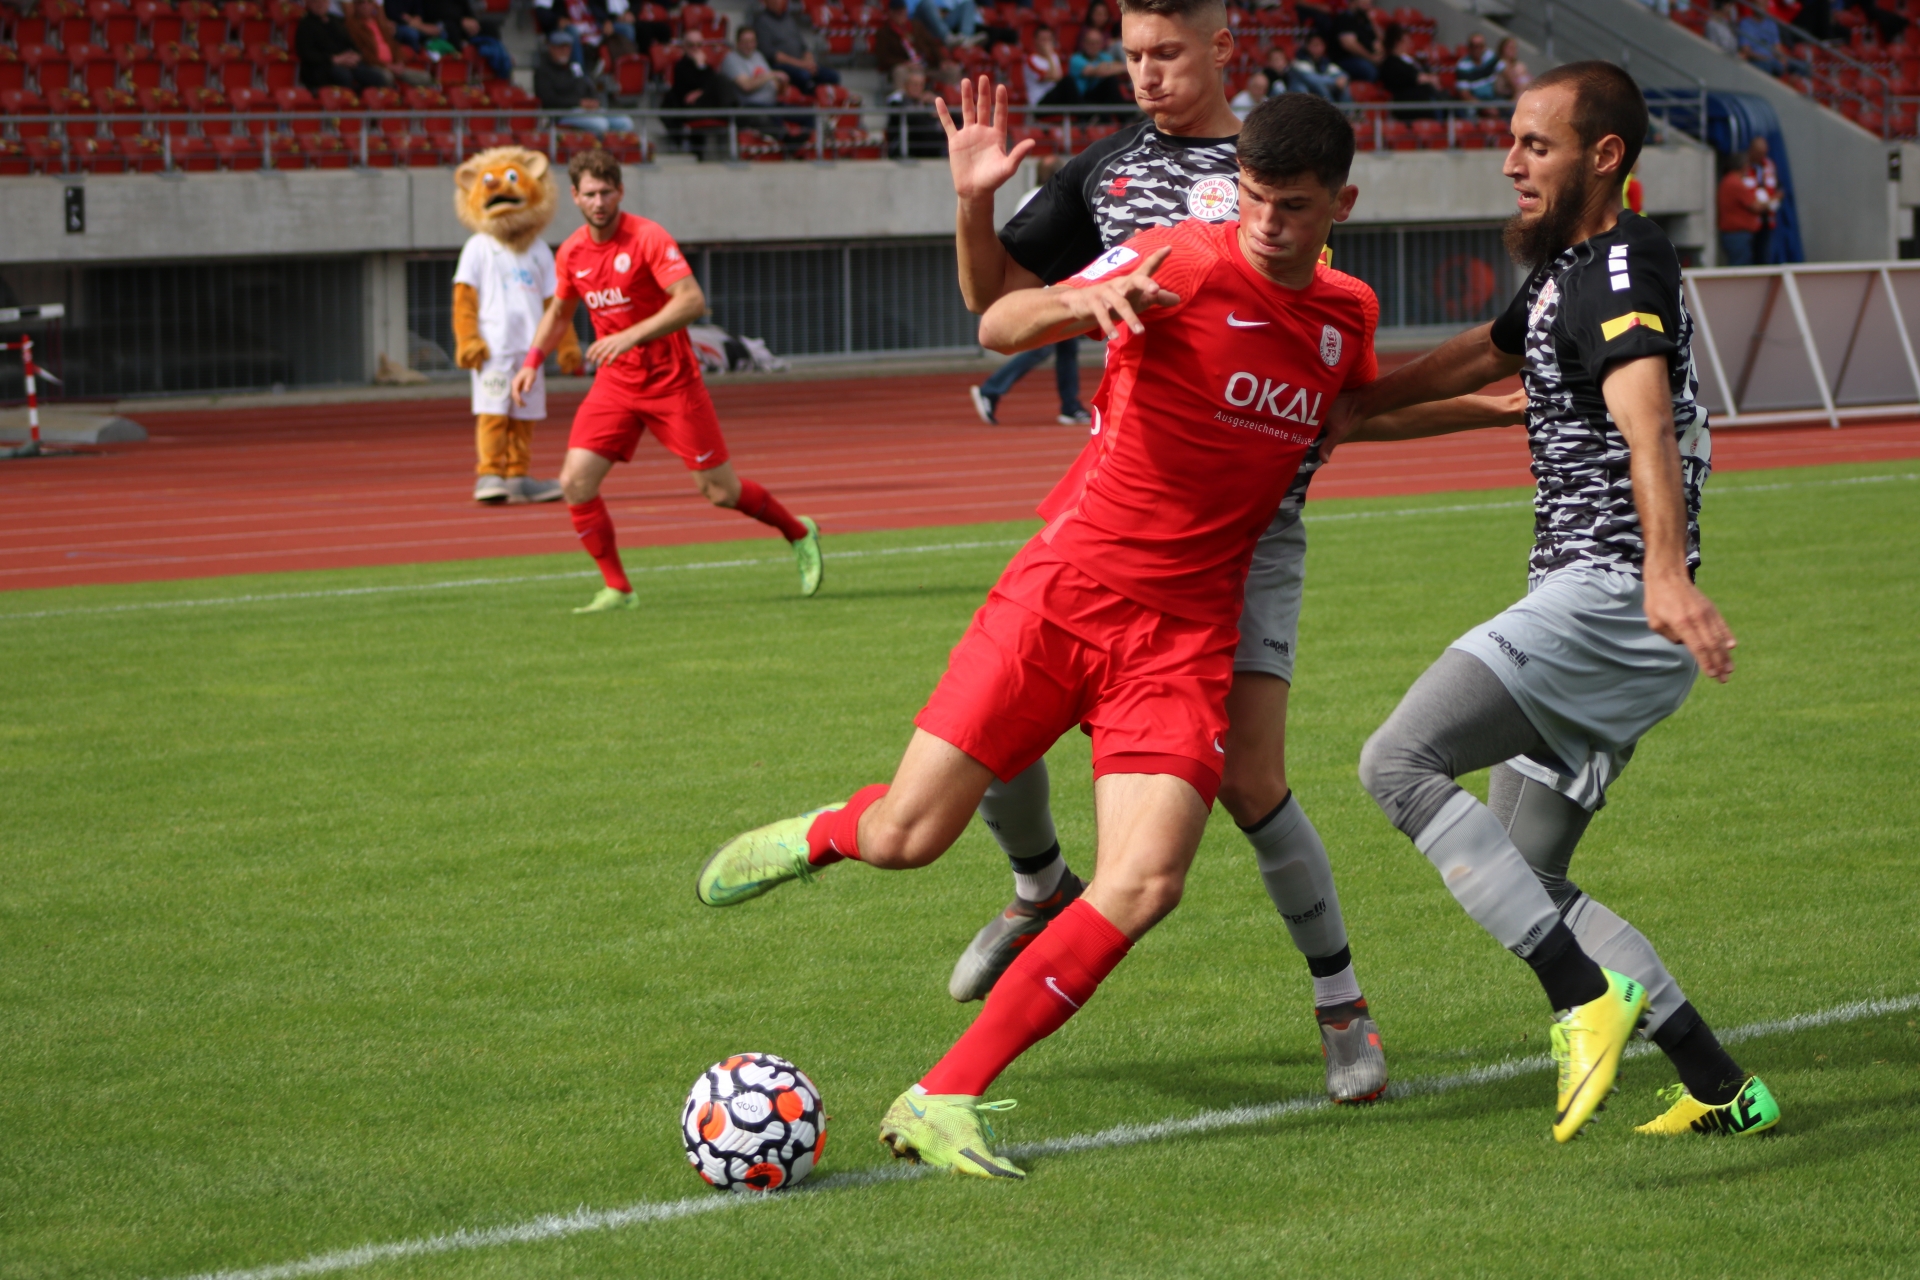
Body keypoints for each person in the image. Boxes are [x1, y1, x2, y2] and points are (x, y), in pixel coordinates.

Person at [695, 97, 1386, 1178]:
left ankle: (943, 1094)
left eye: (1292, 207)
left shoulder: (1350, 312)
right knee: (907, 838)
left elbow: (1361, 408)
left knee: (1147, 880)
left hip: (1185, 638)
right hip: (1064, 595)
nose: (1265, 224)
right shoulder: (1179, 257)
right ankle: (828, 833)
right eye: (1252, 198)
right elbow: (998, 324)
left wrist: (1521, 397)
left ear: (1342, 204)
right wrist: (1083, 299)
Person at [934, 0, 1397, 1106]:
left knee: (1251, 780)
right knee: (1000, 723)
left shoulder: (1285, 156)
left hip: (1252, 527)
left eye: (1167, 52)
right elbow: (994, 302)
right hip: (1121, 513)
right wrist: (974, 200)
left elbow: (1332, 354)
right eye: (1131, 55)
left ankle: (1341, 1004)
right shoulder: (1104, 171)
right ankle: (1039, 885)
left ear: (1222, 47)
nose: (1145, 74)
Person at [1330, 61, 1780, 1144]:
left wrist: (1664, 572)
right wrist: (1350, 405)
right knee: (1525, 870)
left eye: (1536, 144)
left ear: (1604, 156)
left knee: (1396, 762)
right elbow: (1478, 360)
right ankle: (1724, 1087)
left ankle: (1582, 997)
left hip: (1611, 602)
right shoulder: (1564, 276)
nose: (1511, 162)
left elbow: (1646, 422)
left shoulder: (1619, 265)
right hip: (1607, 612)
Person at [511, 150, 825, 612]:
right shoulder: (573, 251)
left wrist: (630, 335)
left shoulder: (647, 237)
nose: (599, 202)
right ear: (575, 196)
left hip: (672, 383)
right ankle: (619, 589)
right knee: (575, 482)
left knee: (720, 492)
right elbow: (560, 311)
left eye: (606, 192)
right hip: (616, 387)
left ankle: (798, 532)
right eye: (590, 194)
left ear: (620, 191)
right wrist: (532, 361)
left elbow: (691, 300)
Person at [969, 156, 1088, 427]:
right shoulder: (1054, 199)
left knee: (1067, 347)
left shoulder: (1030, 197)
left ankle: (1070, 405)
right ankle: (991, 389)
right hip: (1047, 285)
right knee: (1043, 347)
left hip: (1045, 282)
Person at [534, 34, 636, 136]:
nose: (564, 51)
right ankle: (596, 146)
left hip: (585, 110)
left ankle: (619, 146)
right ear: (551, 48)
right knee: (600, 124)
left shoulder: (574, 67)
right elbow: (548, 100)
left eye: (567, 48)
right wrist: (578, 102)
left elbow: (587, 86)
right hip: (562, 113)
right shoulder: (543, 72)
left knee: (625, 122)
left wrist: (593, 101)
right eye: (560, 48)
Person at [752, 0, 841, 95]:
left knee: (832, 76)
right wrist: (801, 64)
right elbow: (771, 54)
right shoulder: (761, 22)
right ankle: (807, 99)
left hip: (802, 64)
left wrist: (809, 63)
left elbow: (803, 47)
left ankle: (825, 98)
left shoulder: (789, 19)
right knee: (803, 76)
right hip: (781, 66)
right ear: (766, 2)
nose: (778, 2)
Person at [296, 0, 391, 89]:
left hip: (347, 62)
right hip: (324, 66)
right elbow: (307, 53)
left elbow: (351, 43)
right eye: (316, 1)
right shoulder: (306, 25)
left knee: (378, 77)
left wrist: (355, 55)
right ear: (309, 3)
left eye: (323, 0)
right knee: (343, 75)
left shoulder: (336, 20)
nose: (320, 4)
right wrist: (334, 59)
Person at [1716, 137, 1776, 265]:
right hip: (1737, 234)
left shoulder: (1728, 181)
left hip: (1738, 234)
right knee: (1740, 266)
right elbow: (1755, 206)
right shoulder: (1735, 183)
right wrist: (1772, 202)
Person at [346, 0, 431, 86]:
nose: (365, 6)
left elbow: (394, 45)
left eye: (369, 2)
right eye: (361, 3)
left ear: (374, 5)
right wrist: (387, 66)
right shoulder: (353, 26)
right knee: (387, 76)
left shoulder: (381, 23)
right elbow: (364, 53)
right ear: (355, 6)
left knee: (425, 77)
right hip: (374, 67)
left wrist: (399, 62)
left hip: (393, 65)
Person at [875, 0, 948, 90]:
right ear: (891, 13)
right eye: (897, 12)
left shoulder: (916, 26)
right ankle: (902, 95)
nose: (901, 14)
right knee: (899, 71)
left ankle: (953, 96)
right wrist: (905, 63)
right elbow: (884, 58)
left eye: (902, 11)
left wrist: (942, 60)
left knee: (951, 70)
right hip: (907, 68)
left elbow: (932, 44)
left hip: (925, 65)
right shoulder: (884, 33)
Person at [886, 65, 948, 156]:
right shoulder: (896, 101)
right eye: (914, 84)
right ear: (906, 85)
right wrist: (923, 108)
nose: (917, 88)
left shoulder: (928, 102)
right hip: (907, 149)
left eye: (921, 85)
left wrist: (937, 105)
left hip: (931, 149)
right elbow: (912, 118)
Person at [1377, 23, 1440, 108]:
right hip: (1405, 101)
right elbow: (1413, 78)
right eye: (1406, 41)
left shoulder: (1411, 60)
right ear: (1397, 42)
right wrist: (1428, 79)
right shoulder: (1391, 63)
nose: (1409, 44)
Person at [1066, 25, 1128, 106]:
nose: (1093, 46)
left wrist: (1106, 67)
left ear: (1101, 44)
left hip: (1101, 96)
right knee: (1110, 80)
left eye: (1096, 43)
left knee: (1111, 81)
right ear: (1083, 43)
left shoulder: (1105, 56)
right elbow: (1097, 72)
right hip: (1082, 97)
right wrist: (1110, 67)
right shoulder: (1075, 59)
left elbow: (1123, 67)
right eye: (1090, 42)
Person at [1327, 0, 1384, 83]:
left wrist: (1372, 20)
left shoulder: (1365, 20)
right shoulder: (1345, 18)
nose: (1369, 2)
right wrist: (1371, 58)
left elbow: (1381, 39)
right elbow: (1349, 44)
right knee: (1369, 70)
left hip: (1369, 58)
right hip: (1347, 59)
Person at [1287, 31, 1348, 101]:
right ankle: (1329, 106)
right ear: (1307, 46)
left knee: (1344, 86)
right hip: (1300, 97)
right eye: (1315, 45)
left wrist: (1342, 79)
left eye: (1320, 45)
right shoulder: (1299, 62)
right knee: (1320, 86)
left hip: (1316, 96)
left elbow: (1342, 74)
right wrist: (1335, 81)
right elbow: (1313, 79)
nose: (1318, 48)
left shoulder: (1325, 62)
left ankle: (1347, 108)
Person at [1024, 24, 1064, 103]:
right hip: (1039, 99)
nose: (1046, 43)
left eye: (1049, 39)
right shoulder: (1031, 60)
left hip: (1054, 97)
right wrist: (1049, 55)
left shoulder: (1054, 56)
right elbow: (1055, 77)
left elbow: (1060, 77)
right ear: (1035, 41)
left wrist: (1050, 56)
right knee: (1068, 83)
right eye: (1043, 39)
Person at [1453, 31, 1498, 101]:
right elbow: (1465, 95)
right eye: (1474, 46)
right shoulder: (1462, 65)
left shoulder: (1490, 55)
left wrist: (1515, 93)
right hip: (1477, 102)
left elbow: (1506, 70)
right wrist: (1484, 106)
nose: (1478, 49)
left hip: (1495, 97)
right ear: (1469, 48)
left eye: (1481, 46)